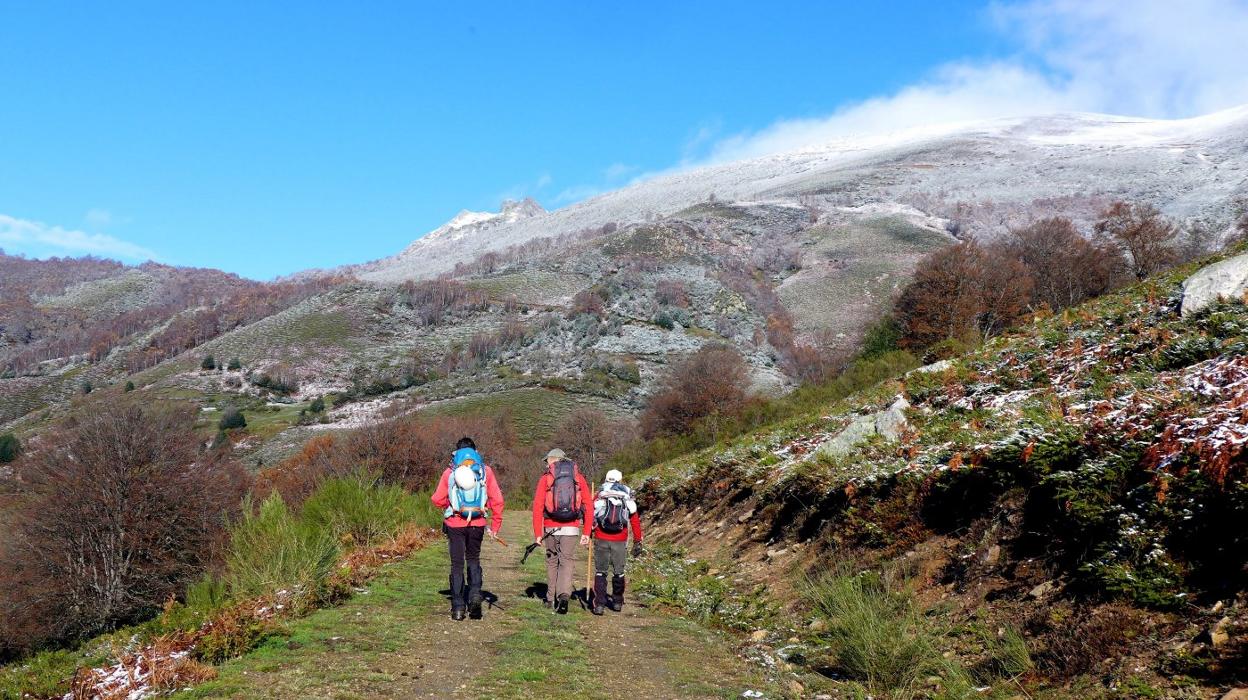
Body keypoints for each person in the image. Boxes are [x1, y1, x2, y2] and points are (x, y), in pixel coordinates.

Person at [431, 437, 504, 621]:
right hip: (477, 523)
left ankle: (458, 607)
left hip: (455, 523)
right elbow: (497, 499)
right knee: (473, 559)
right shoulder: (485, 471)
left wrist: (450, 505)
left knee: (456, 564)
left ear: (456, 452)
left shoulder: (450, 472)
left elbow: (437, 499)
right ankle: (474, 595)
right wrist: (495, 525)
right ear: (475, 451)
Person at [530, 448, 591, 614]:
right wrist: (586, 531)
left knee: (552, 561)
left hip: (550, 526)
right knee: (567, 561)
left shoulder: (545, 479)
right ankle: (563, 597)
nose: (546, 464)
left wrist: (538, 534)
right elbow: (587, 505)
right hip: (571, 527)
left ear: (552, 460)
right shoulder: (578, 478)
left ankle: (550, 599)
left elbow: (537, 507)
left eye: (547, 461)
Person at [590, 469, 643, 615]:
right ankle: (618, 601)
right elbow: (634, 520)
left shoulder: (600, 494)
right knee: (619, 572)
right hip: (620, 539)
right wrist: (638, 540)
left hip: (601, 537)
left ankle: (599, 604)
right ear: (620, 480)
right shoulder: (626, 496)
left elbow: (590, 514)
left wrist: (588, 532)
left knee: (601, 572)